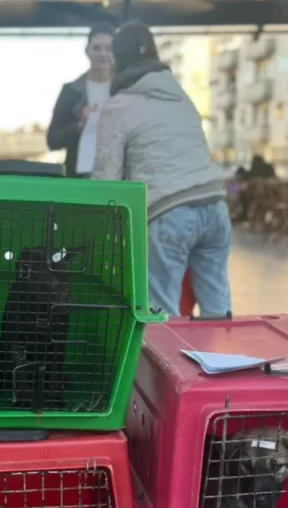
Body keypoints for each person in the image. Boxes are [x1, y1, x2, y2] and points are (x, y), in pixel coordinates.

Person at [92, 22, 231, 317]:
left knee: (163, 314)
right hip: (215, 206)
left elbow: (107, 181)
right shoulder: (181, 98)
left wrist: (99, 234)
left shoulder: (118, 107)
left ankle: (166, 349)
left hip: (169, 211)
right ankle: (223, 346)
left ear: (118, 60)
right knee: (218, 308)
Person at [47, 23, 115, 178]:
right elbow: (52, 140)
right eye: (96, 48)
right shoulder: (70, 92)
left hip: (117, 173)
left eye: (108, 48)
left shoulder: (125, 90)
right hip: (80, 175)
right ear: (87, 51)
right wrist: (79, 126)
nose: (102, 54)